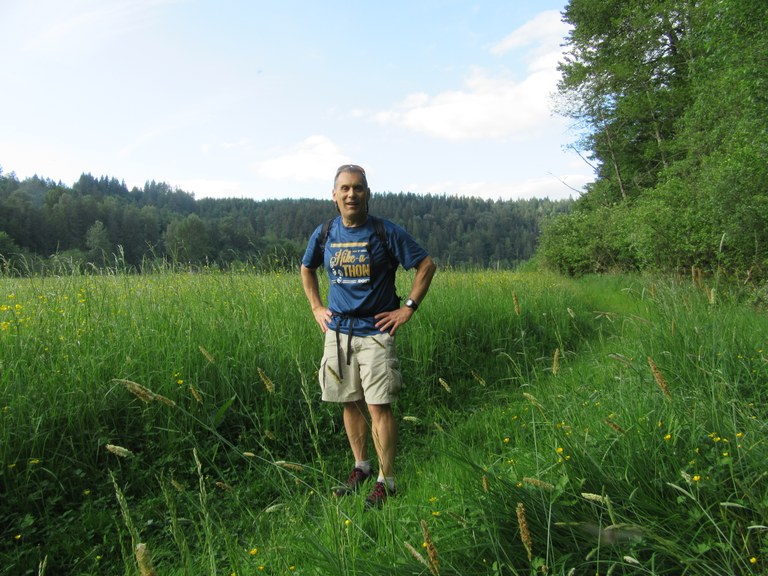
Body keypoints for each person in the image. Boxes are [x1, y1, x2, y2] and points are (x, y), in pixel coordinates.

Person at [300, 164, 436, 508]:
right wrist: (317, 307)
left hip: (376, 332)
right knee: (349, 401)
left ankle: (385, 481)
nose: (351, 194)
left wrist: (407, 308)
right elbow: (307, 267)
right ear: (334, 195)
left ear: (368, 194)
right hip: (338, 332)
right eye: (344, 188)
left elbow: (426, 265)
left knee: (378, 406)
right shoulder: (326, 232)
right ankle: (361, 467)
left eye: (358, 188)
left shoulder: (384, 231)